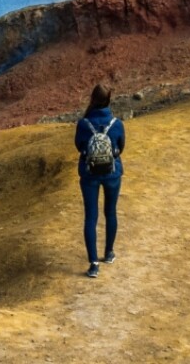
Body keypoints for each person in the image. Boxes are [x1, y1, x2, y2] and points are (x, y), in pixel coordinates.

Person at [74, 84, 125, 278]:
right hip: (112, 173)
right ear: (109, 99)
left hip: (89, 175)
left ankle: (94, 264)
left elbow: (79, 146)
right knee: (110, 212)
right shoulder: (116, 123)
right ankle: (109, 253)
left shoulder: (83, 124)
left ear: (92, 99)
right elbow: (121, 147)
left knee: (91, 218)